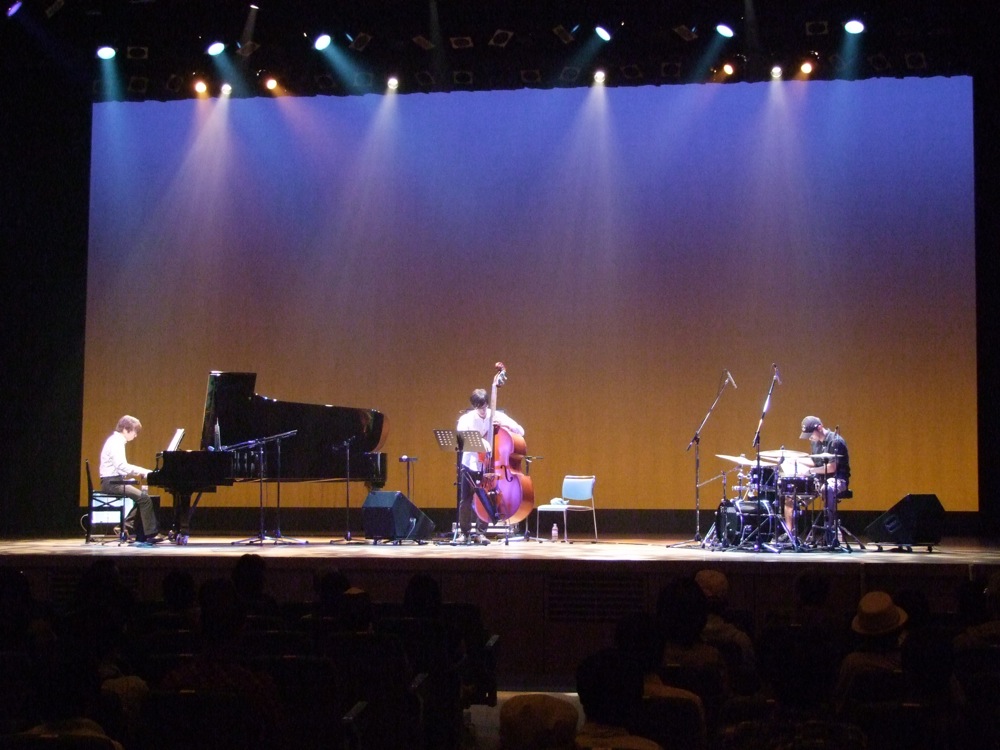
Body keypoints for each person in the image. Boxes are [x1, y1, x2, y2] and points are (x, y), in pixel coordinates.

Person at [455, 387, 525, 543]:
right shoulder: (466, 419)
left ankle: (481, 533)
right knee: (465, 500)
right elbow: (462, 438)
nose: (483, 410)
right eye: (479, 407)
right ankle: (464, 533)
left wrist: (505, 426)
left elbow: (521, 431)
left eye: (485, 406)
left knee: (486, 499)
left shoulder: (496, 415)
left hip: (490, 465)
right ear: (474, 406)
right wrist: (481, 441)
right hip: (470, 463)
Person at [99, 415, 167, 543]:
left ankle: (125, 526)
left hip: (113, 480)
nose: (135, 436)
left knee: (142, 497)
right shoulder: (116, 442)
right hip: (111, 483)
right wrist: (144, 471)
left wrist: (131, 476)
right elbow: (121, 465)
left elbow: (119, 467)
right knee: (145, 499)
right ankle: (151, 534)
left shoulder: (116, 441)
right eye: (135, 432)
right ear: (125, 429)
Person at [799, 415, 850, 547]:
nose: (810, 437)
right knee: (791, 490)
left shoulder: (836, 441)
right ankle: (790, 535)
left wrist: (811, 471)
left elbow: (832, 467)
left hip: (838, 479)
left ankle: (830, 529)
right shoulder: (815, 442)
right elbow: (815, 461)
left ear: (820, 428)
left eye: (811, 434)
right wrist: (796, 460)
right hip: (820, 479)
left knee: (827, 488)